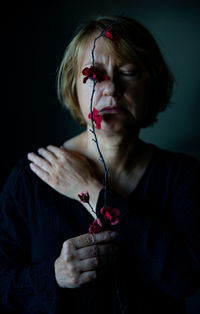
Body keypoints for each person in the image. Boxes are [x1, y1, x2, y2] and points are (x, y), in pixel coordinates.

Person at [0, 15, 200, 314]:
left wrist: (91, 189)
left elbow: (186, 278)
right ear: (73, 85)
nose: (111, 89)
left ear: (152, 86)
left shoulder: (182, 177)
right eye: (95, 75)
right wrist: (53, 275)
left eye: (129, 72)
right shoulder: (30, 178)